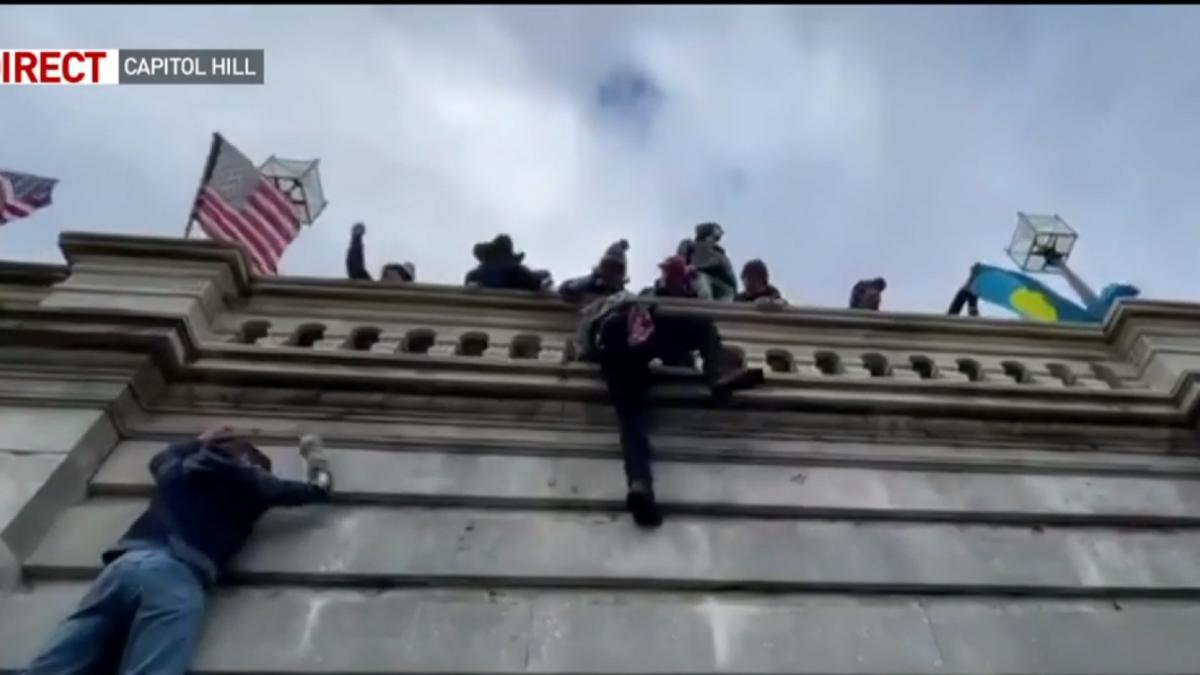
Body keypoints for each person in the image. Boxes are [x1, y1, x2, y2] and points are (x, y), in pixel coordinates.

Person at [19, 427, 334, 675]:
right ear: (249, 462)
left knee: (56, 663)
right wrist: (315, 456)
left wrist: (200, 440)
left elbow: (160, 458)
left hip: (121, 568)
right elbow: (317, 489)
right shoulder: (252, 480)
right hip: (174, 575)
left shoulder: (178, 470)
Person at [571, 283, 765, 529]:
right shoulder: (637, 300)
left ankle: (639, 484)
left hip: (610, 351)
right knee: (702, 325)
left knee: (632, 421)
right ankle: (716, 374)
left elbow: (586, 348)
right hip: (633, 329)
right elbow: (662, 332)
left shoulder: (597, 313)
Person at [464, 234, 552, 291]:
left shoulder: (518, 272)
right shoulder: (478, 274)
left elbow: (540, 277)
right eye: (498, 253)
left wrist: (539, 282)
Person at [677, 222, 738, 302]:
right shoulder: (691, 245)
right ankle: (706, 306)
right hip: (698, 277)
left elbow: (730, 275)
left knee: (727, 292)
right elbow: (681, 260)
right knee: (701, 281)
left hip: (721, 283)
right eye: (716, 233)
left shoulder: (719, 253)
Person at [558, 240, 629, 303]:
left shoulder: (620, 292)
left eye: (615, 269)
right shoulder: (593, 282)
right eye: (609, 267)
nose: (612, 271)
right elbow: (568, 289)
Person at [346, 222, 416, 283]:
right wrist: (356, 239)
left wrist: (356, 238)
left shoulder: (410, 292)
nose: (391, 279)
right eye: (388, 276)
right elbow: (356, 269)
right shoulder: (374, 289)